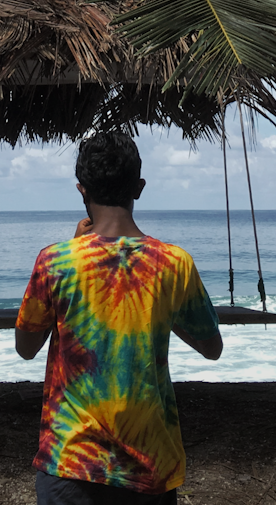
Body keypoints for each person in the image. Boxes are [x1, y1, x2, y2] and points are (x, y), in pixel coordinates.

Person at [15, 130, 223, 504]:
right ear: (139, 188)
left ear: (82, 190)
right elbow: (212, 347)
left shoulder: (56, 261)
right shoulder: (174, 263)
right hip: (148, 463)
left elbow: (26, 346)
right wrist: (160, 305)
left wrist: (76, 246)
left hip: (70, 461)